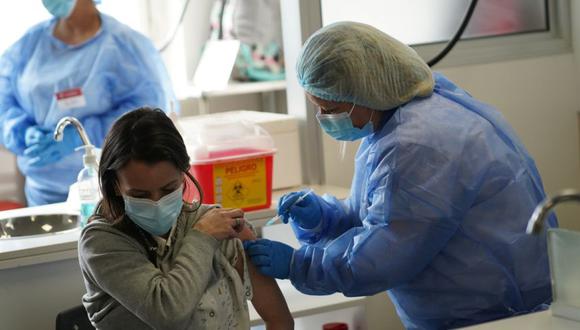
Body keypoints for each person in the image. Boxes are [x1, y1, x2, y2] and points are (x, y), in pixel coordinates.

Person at [244, 21, 557, 329]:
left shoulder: (417, 145)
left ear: (363, 90)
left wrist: (300, 265)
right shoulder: (398, 118)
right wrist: (325, 218)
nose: (325, 119)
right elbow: (382, 215)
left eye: (331, 108)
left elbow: (382, 255)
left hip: (495, 314)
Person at [78, 107, 293, 329]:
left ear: (184, 173)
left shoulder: (220, 224)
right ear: (114, 185)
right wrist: (203, 237)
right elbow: (168, 313)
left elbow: (279, 320)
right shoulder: (100, 242)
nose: (156, 203)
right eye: (139, 195)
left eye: (168, 189)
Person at [0, 0, 177, 206]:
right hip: (43, 194)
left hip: (110, 190)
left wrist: (83, 136)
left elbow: (147, 114)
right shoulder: (28, 46)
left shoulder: (126, 46)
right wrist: (21, 131)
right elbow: (4, 103)